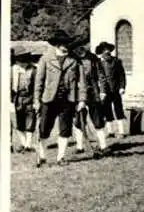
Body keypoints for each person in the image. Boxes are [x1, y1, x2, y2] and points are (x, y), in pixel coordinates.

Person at [34, 30, 87, 167]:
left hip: (68, 100)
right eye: (63, 43)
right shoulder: (45, 58)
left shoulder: (75, 60)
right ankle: (42, 156)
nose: (66, 46)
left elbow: (82, 82)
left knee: (65, 129)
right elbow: (39, 82)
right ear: (57, 44)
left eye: (67, 43)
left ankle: (61, 157)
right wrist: (36, 101)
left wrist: (82, 100)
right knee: (44, 129)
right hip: (48, 100)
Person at [71, 41, 110, 157]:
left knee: (97, 119)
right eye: (77, 48)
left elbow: (101, 76)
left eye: (81, 47)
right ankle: (79, 147)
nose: (80, 49)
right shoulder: (72, 60)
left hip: (93, 93)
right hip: (78, 93)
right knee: (78, 121)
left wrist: (102, 91)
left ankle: (103, 146)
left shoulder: (94, 59)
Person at [96, 41, 127, 139]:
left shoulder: (117, 61)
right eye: (104, 50)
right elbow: (99, 78)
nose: (106, 51)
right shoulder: (99, 63)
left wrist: (122, 87)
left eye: (108, 49)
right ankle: (110, 131)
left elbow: (122, 76)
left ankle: (121, 132)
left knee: (118, 109)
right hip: (105, 91)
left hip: (116, 90)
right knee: (107, 110)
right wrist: (101, 91)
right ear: (101, 52)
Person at [11, 46, 37, 153]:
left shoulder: (34, 70)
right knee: (19, 123)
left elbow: (37, 87)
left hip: (30, 98)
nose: (22, 63)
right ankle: (23, 143)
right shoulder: (13, 70)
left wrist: (36, 100)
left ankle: (28, 145)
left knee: (30, 123)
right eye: (19, 61)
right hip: (17, 99)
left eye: (24, 60)